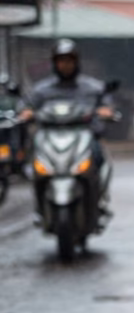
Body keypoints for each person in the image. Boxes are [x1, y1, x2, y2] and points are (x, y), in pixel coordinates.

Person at [24, 39, 116, 206]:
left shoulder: (91, 87)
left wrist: (105, 110)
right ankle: (39, 205)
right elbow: (27, 106)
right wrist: (26, 112)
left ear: (76, 62)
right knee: (34, 162)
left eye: (69, 61)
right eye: (61, 61)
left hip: (83, 137)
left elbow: (106, 103)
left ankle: (98, 198)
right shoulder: (42, 90)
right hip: (50, 137)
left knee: (97, 156)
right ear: (54, 63)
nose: (65, 65)